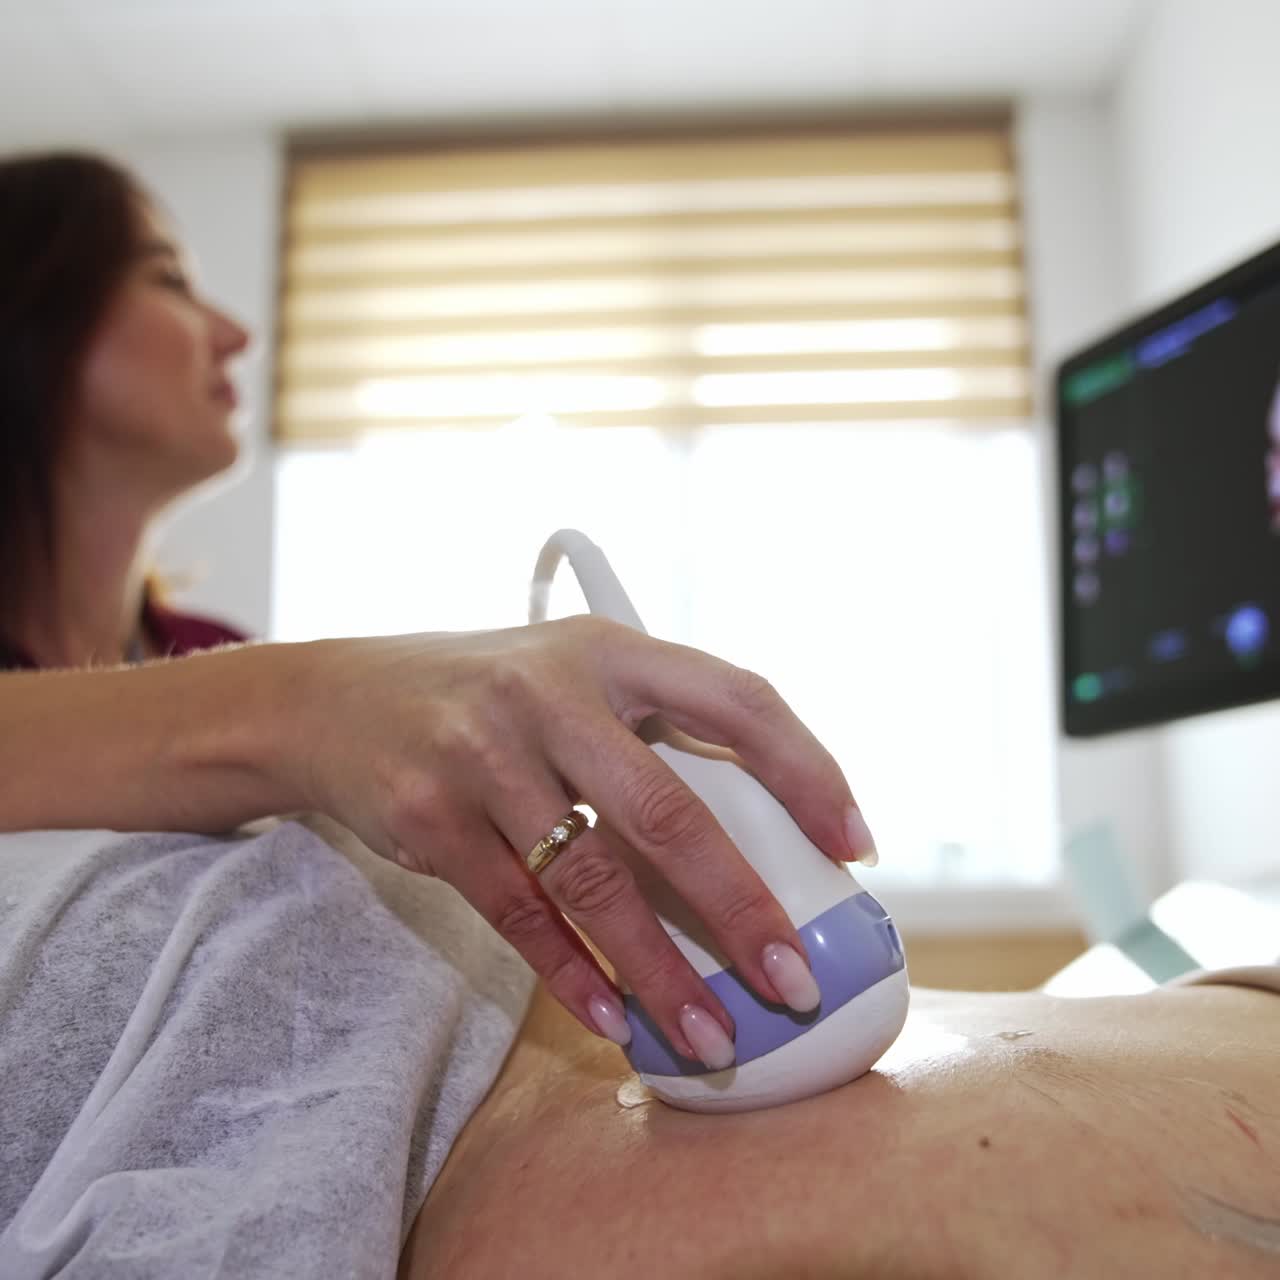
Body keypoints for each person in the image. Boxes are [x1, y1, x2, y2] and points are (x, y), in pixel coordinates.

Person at [2, 152, 1277, 1279]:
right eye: (167, 276)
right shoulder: (252, 699)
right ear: (30, 321)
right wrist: (311, 695)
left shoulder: (203, 664)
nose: (231, 328)